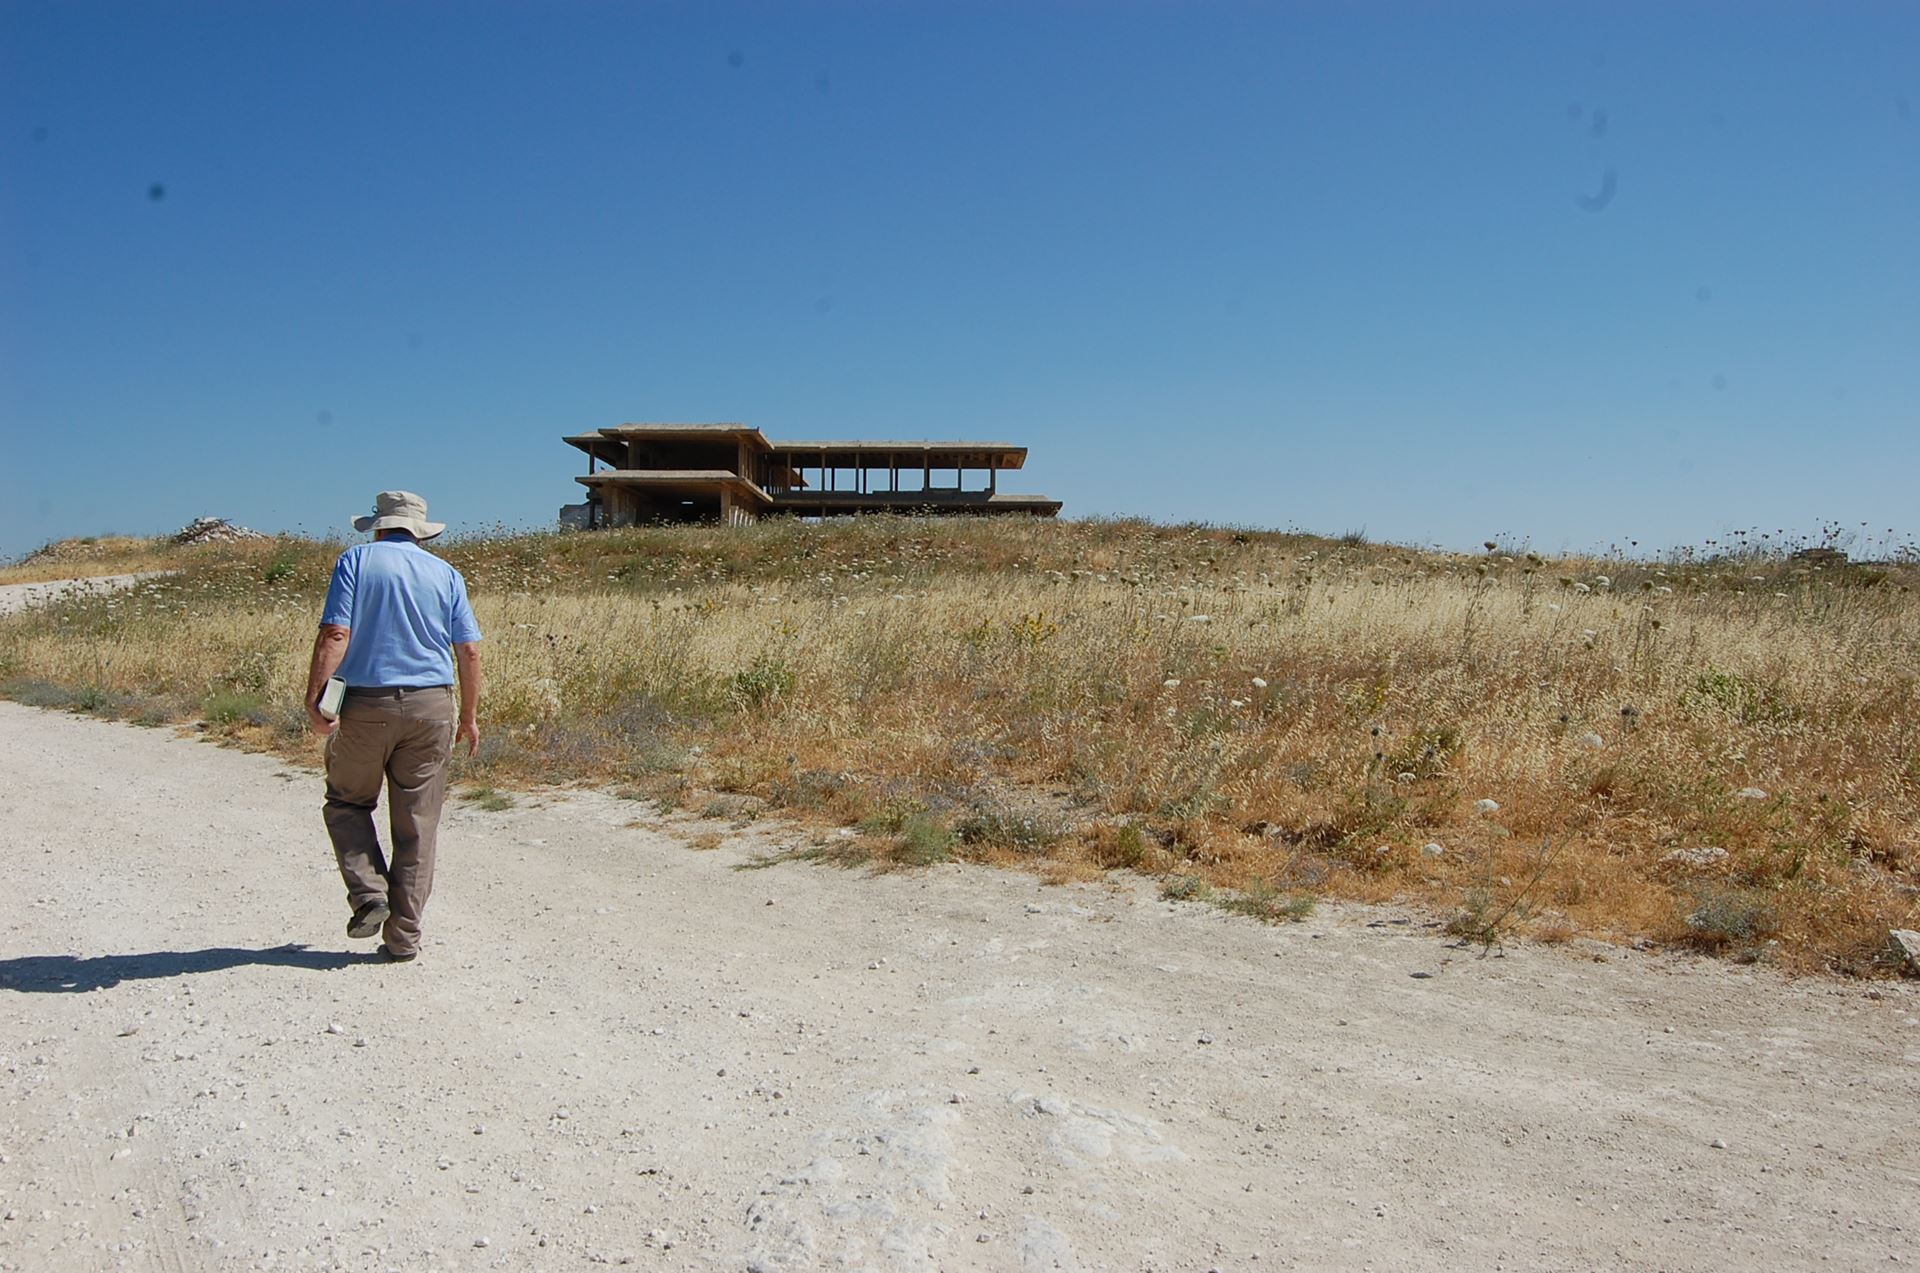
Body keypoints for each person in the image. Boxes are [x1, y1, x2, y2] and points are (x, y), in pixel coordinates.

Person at [305, 491, 482, 962]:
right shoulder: (446, 574)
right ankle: (404, 939)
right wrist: (468, 716)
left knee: (347, 802)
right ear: (421, 531)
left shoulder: (356, 562)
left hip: (366, 703)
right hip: (431, 707)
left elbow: (336, 633)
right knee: (418, 825)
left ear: (377, 527)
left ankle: (369, 894)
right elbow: (468, 650)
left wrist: (318, 698)